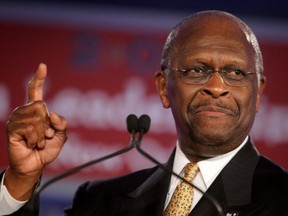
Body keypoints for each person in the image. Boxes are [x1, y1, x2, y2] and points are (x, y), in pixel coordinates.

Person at [1, 10, 288, 216]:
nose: (216, 86)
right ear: (164, 88)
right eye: (197, 70)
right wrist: (21, 180)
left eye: (235, 72)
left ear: (258, 91)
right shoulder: (100, 202)